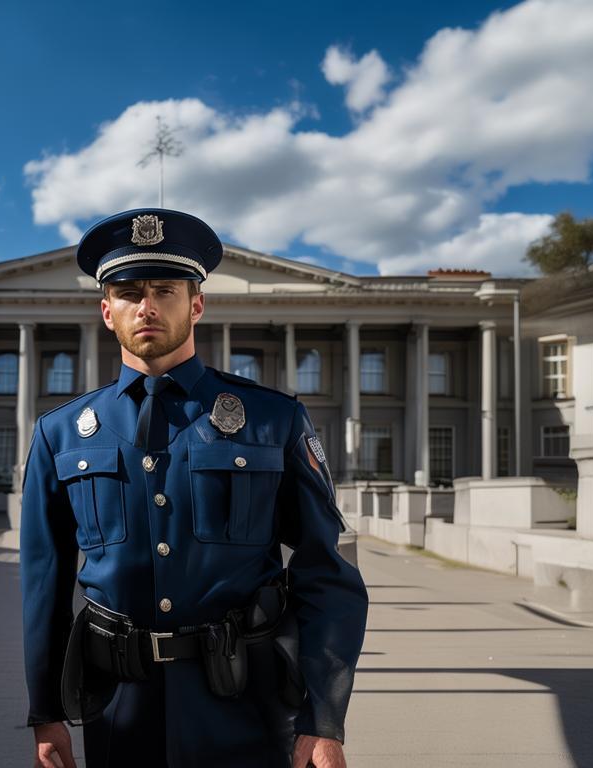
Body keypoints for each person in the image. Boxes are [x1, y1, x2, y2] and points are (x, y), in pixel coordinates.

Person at [21, 208, 367, 768]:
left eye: (165, 289)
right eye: (129, 292)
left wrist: (323, 719)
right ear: (107, 311)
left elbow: (326, 573)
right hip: (119, 707)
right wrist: (46, 711)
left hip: (245, 704)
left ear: (197, 304)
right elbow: (44, 585)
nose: (148, 305)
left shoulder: (272, 420)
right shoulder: (60, 433)